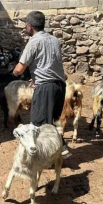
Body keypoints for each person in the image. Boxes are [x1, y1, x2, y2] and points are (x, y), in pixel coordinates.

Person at [12, 11, 72, 158]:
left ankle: (59, 149)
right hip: (59, 86)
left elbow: (19, 69)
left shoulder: (34, 41)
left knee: (38, 124)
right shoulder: (54, 40)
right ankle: (57, 149)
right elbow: (50, 63)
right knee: (50, 121)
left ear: (30, 26)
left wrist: (14, 73)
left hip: (46, 88)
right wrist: (36, 77)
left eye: (26, 24)